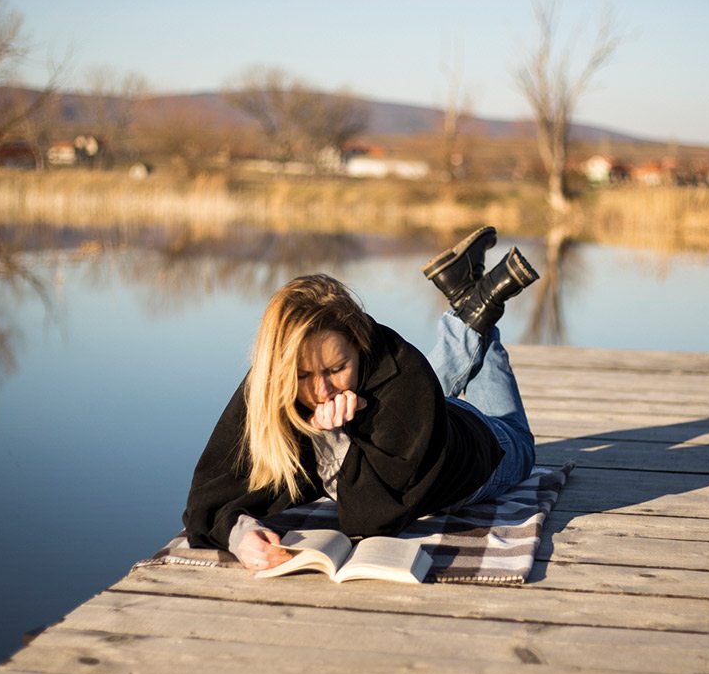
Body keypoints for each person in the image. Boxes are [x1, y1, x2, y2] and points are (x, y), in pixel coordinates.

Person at [182, 226, 540, 572]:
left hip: (478, 450)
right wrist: (238, 533)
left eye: (337, 368)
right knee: (418, 396)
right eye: (303, 376)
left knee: (521, 443)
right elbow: (208, 493)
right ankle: (469, 296)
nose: (321, 391)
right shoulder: (274, 378)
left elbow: (375, 518)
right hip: (424, 413)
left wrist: (332, 439)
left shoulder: (404, 373)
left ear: (359, 343)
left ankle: (482, 306)